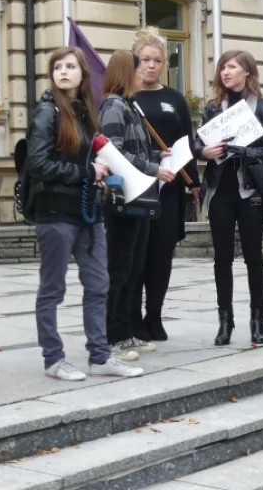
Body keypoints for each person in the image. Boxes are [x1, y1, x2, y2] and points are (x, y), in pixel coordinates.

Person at [27, 47, 143, 380]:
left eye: (70, 66)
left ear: (83, 74)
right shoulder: (47, 112)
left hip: (88, 214)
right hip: (55, 214)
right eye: (58, 67)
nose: (63, 72)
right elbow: (38, 165)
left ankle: (100, 356)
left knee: (98, 284)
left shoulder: (85, 114)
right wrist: (87, 173)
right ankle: (53, 358)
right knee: (52, 289)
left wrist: (102, 175)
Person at [193, 50, 263, 346]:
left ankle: (258, 321)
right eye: (222, 68)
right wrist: (203, 152)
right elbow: (198, 143)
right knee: (222, 258)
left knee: (254, 257)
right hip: (220, 190)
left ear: (247, 71)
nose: (225, 72)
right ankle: (225, 321)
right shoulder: (212, 107)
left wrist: (250, 152)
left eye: (231, 67)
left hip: (251, 191)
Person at [99, 50, 175, 361]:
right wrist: (153, 168)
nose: (144, 70)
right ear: (124, 72)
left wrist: (159, 156)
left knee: (132, 269)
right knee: (119, 270)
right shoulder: (113, 106)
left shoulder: (130, 105)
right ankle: (112, 337)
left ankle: (127, 333)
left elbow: (135, 149)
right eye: (138, 66)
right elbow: (113, 153)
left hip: (139, 198)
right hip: (123, 200)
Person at [129, 28, 201, 342]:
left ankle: (154, 316)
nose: (151, 65)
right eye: (145, 59)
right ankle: (131, 318)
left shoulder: (175, 100)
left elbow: (187, 142)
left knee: (161, 255)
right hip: (134, 188)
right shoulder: (126, 99)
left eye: (157, 60)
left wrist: (194, 183)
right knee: (136, 256)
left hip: (170, 190)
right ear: (135, 61)